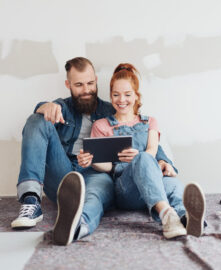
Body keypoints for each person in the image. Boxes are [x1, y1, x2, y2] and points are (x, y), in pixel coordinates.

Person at [11, 57, 175, 245]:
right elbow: (42, 113)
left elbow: (142, 134)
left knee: (95, 196)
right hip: (63, 173)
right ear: (68, 84)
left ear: (96, 80)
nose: (86, 89)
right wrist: (43, 106)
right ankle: (31, 201)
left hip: (97, 173)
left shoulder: (112, 109)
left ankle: (78, 225)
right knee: (36, 119)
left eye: (90, 83)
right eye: (79, 85)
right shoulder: (62, 107)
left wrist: (163, 161)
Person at [79, 63, 206, 239]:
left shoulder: (150, 122)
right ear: (110, 96)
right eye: (116, 95)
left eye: (127, 94)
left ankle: (186, 218)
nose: (121, 100)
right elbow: (107, 167)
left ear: (137, 96)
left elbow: (152, 151)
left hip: (152, 180)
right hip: (126, 188)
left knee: (174, 184)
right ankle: (166, 216)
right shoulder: (101, 126)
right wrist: (92, 159)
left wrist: (151, 161)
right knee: (143, 158)